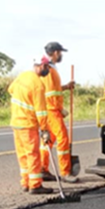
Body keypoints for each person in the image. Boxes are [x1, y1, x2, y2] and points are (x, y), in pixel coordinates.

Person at [8, 57, 53, 195]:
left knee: (22, 155)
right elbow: (41, 111)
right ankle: (35, 185)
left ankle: (25, 182)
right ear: (40, 66)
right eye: (47, 67)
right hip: (28, 125)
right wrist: (45, 130)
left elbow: (10, 89)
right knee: (33, 155)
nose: (48, 70)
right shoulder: (38, 85)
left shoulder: (23, 76)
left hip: (16, 122)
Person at [39, 41, 78, 183]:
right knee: (63, 139)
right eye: (60, 52)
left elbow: (54, 89)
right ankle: (65, 172)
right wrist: (60, 109)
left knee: (49, 141)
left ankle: (43, 169)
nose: (61, 55)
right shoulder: (49, 69)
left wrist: (66, 87)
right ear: (55, 53)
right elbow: (50, 94)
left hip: (49, 109)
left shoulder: (51, 68)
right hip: (52, 110)